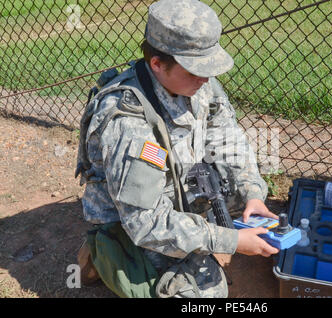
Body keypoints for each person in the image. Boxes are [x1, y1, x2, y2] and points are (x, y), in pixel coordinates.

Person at [76, 0, 279, 298]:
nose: (206, 78)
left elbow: (228, 141)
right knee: (203, 295)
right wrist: (229, 241)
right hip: (133, 220)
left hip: (177, 189)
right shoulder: (128, 123)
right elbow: (144, 223)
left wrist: (252, 194)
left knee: (244, 199)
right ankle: (104, 253)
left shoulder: (197, 83)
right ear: (157, 63)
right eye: (196, 69)